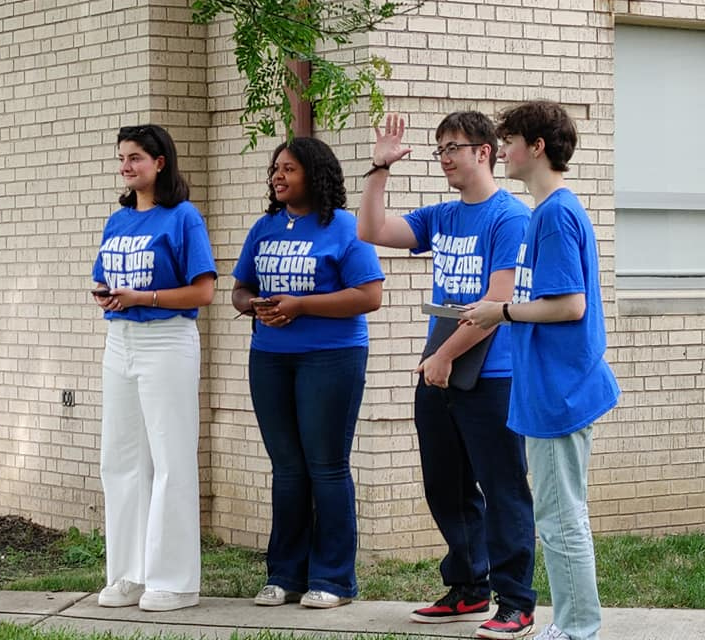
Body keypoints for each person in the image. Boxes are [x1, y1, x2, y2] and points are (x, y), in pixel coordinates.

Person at [357, 113, 537, 638]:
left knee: (503, 488)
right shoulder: (443, 215)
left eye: (453, 147)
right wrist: (378, 168)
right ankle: (467, 587)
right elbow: (370, 230)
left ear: (484, 152)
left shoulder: (510, 218)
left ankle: (516, 602)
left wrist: (444, 357)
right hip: (441, 368)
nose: (444, 157)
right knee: (447, 486)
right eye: (438, 149)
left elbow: (499, 301)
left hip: (492, 373)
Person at [462, 101, 620, 640]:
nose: (501, 149)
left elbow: (570, 305)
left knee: (559, 519)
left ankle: (576, 630)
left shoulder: (554, 213)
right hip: (550, 392)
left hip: (560, 394)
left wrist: (498, 311)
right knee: (561, 516)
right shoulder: (546, 212)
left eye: (510, 140)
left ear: (538, 148)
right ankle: (575, 626)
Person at [232, 137, 383, 610]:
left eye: (288, 169)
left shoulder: (344, 227)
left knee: (326, 466)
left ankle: (334, 579)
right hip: (270, 358)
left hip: (332, 357)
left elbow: (369, 296)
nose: (277, 176)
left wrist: (301, 305)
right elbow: (239, 290)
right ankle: (284, 574)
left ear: (314, 174)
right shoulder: (265, 227)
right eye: (275, 168)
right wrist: (254, 307)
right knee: (288, 470)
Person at [91, 124, 217, 612]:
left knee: (170, 459)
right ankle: (128, 573)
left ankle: (175, 580)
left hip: (167, 338)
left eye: (135, 158)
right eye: (122, 158)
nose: (126, 166)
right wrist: (107, 295)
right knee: (119, 460)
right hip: (119, 340)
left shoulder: (182, 217)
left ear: (160, 162)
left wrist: (145, 297)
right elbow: (105, 279)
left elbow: (203, 291)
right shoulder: (118, 220)